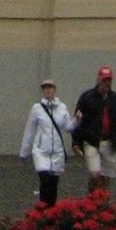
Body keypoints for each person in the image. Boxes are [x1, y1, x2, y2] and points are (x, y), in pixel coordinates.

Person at [69, 65, 116, 193]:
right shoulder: (87, 98)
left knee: (106, 177)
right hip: (91, 141)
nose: (107, 83)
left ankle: (104, 204)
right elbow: (77, 121)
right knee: (95, 173)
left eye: (109, 80)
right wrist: (76, 142)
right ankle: (92, 199)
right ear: (98, 80)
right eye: (104, 80)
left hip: (110, 142)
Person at [18, 76, 73, 205]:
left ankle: (51, 211)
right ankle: (43, 209)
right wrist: (24, 152)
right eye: (45, 88)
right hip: (41, 151)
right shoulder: (37, 108)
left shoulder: (62, 108)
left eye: (50, 88)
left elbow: (68, 127)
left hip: (57, 153)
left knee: (53, 184)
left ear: (55, 90)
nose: (48, 91)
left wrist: (77, 121)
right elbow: (30, 130)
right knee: (45, 179)